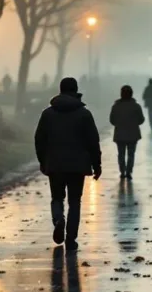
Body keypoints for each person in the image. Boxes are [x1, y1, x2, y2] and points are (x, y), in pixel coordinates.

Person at [34, 77, 102, 251]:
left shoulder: (47, 114)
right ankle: (71, 238)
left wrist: (43, 160)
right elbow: (93, 141)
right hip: (78, 166)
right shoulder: (84, 114)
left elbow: (39, 139)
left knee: (57, 198)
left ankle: (58, 220)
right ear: (76, 90)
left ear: (60, 90)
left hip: (55, 164)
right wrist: (97, 164)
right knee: (74, 201)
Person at [110, 85, 145, 180]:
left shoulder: (116, 106)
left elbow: (112, 120)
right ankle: (129, 172)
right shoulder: (136, 106)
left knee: (121, 154)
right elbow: (141, 120)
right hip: (133, 134)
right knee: (131, 154)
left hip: (120, 134)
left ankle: (122, 171)